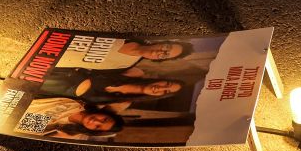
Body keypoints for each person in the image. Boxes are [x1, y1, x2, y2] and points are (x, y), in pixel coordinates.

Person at [40, 67, 185, 105]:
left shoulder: (123, 103)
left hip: (55, 93)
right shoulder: (134, 73)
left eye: (165, 91)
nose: (160, 88)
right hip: (61, 76)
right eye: (166, 84)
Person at [20, 97, 125, 140]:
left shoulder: (65, 130)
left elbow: (21, 125)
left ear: (93, 131)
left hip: (10, 115)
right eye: (104, 119)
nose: (96, 121)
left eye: (97, 127)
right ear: (104, 112)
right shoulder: (75, 103)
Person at [57, 39, 194, 70]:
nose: (161, 52)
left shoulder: (126, 65)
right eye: (166, 47)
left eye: (165, 55)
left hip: (54, 60)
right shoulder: (127, 36)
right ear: (161, 42)